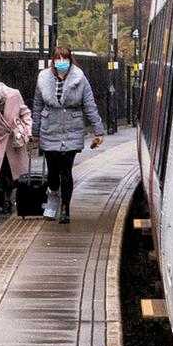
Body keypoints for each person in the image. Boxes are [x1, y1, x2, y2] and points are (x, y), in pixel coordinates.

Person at [31, 43, 107, 226]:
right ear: (53, 61)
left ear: (70, 60)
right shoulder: (43, 79)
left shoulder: (80, 79)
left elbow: (89, 105)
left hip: (72, 129)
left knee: (66, 170)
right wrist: (35, 131)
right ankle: (53, 195)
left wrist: (98, 130)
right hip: (50, 128)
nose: (61, 62)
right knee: (53, 172)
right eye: (58, 58)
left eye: (64, 58)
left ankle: (65, 208)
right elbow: (37, 105)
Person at [0, 80, 33, 214]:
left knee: (10, 172)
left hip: (12, 140)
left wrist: (28, 131)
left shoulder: (14, 94)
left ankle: (7, 202)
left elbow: (25, 113)